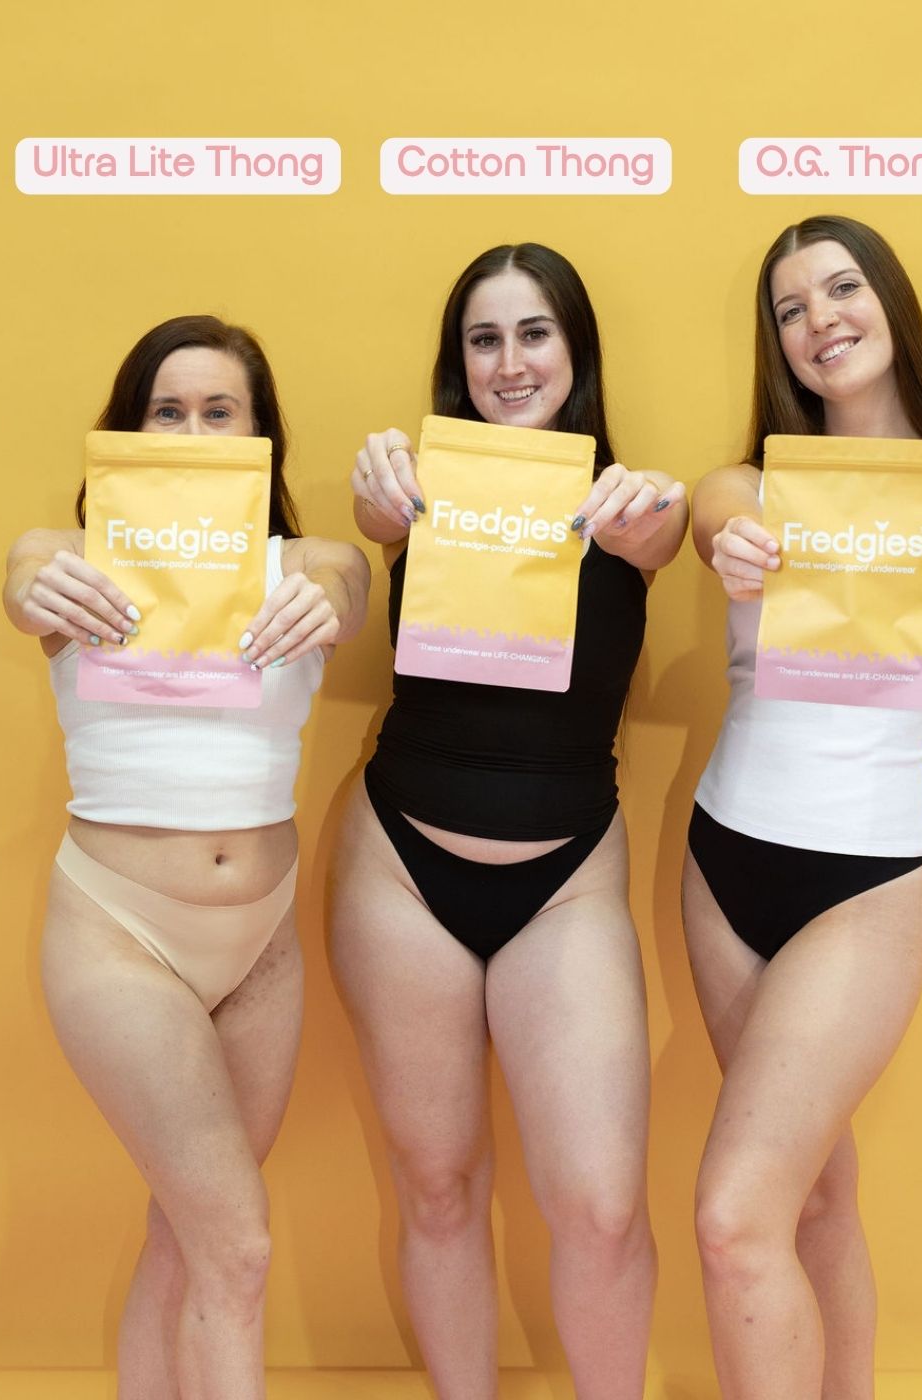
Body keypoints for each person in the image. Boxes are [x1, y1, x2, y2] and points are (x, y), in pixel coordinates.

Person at [683, 215, 922, 1400]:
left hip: (864, 884)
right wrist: (727, 536)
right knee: (813, 1190)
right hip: (724, 864)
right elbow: (712, 504)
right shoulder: (753, 480)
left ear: (891, 305)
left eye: (841, 289)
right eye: (790, 307)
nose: (819, 318)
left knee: (736, 1215)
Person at [329, 243, 687, 1400]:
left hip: (565, 879)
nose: (510, 361)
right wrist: (379, 496)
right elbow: (367, 514)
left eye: (534, 333)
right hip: (402, 869)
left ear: (574, 352)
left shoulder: (628, 507)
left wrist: (650, 514)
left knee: (599, 1200)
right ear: (458, 363)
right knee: (436, 1183)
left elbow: (665, 534)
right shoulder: (411, 485)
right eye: (484, 339)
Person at [3, 315, 370, 1400]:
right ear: (126, 429)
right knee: (237, 1244)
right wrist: (27, 586)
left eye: (223, 412)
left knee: (194, 1230)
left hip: (261, 946)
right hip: (121, 933)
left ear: (261, 440)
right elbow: (23, 579)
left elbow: (345, 590)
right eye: (169, 410)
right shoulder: (67, 561)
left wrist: (327, 600)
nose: (195, 430)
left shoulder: (309, 564)